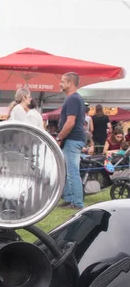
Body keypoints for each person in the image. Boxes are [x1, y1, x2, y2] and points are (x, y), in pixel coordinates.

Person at [57, 72, 86, 210]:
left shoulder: (72, 99)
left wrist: (59, 137)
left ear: (71, 83)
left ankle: (77, 203)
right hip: (74, 139)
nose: (60, 84)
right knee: (67, 170)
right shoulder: (75, 98)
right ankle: (69, 198)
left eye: (63, 81)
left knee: (72, 172)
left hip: (72, 139)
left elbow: (70, 123)